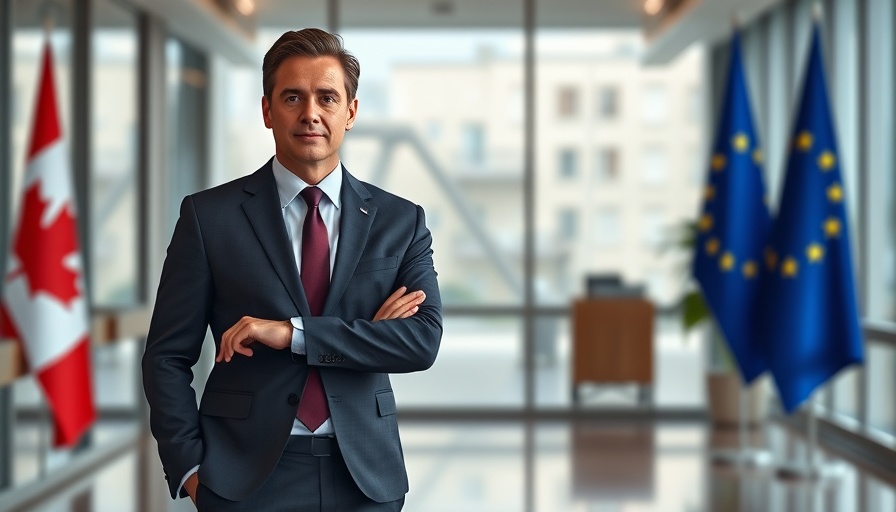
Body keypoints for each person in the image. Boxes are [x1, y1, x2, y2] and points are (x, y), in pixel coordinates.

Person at [142, 28, 442, 511]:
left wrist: (293, 334)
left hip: (365, 476)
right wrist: (191, 470)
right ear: (267, 110)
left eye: (327, 97)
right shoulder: (208, 217)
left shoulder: (400, 222)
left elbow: (422, 341)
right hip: (242, 477)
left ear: (351, 112)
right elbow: (166, 358)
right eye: (292, 97)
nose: (310, 113)